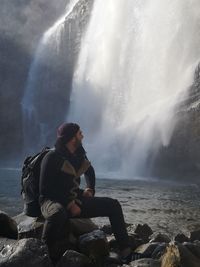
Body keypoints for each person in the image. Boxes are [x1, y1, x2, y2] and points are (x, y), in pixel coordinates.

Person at [39, 122, 142, 264]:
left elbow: (89, 170)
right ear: (72, 138)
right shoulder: (52, 157)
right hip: (50, 200)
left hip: (73, 197)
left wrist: (90, 189)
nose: (83, 135)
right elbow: (45, 189)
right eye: (79, 133)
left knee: (113, 205)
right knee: (57, 213)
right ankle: (43, 254)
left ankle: (126, 252)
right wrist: (69, 204)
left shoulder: (78, 154)